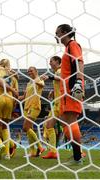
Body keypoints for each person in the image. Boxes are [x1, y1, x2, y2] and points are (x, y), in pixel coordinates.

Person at [55, 24, 84, 165]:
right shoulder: (67, 48)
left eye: (57, 33)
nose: (56, 36)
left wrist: (78, 81)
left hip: (71, 89)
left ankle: (77, 157)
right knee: (64, 121)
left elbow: (79, 61)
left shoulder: (73, 45)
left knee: (70, 120)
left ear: (65, 32)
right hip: (66, 92)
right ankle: (77, 155)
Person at [19, 66, 45, 157]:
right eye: (28, 71)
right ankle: (33, 152)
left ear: (36, 71)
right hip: (26, 107)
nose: (29, 72)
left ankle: (40, 146)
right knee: (29, 130)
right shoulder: (28, 83)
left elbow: (42, 85)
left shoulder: (39, 79)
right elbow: (24, 97)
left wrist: (38, 81)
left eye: (31, 70)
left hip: (34, 106)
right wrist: (13, 98)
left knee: (25, 128)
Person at [41, 56, 61, 159]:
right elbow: (60, 83)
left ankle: (79, 151)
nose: (50, 63)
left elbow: (63, 79)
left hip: (62, 103)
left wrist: (50, 77)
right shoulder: (57, 72)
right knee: (48, 125)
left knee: (68, 127)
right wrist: (53, 91)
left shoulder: (60, 70)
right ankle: (53, 151)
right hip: (57, 103)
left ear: (57, 61)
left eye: (51, 61)